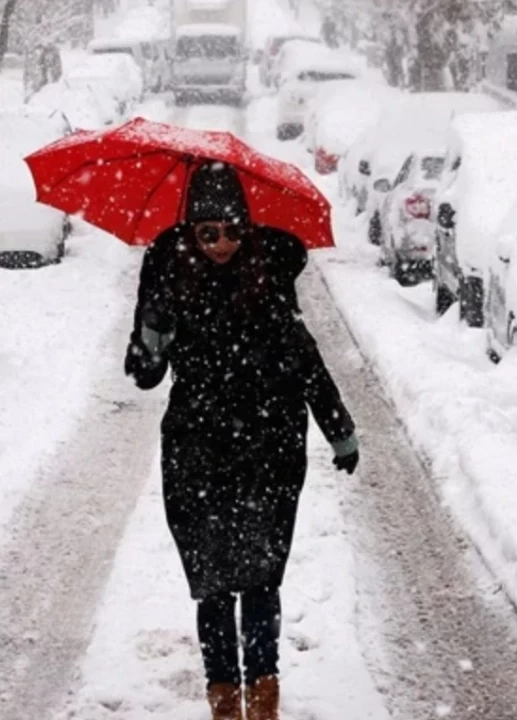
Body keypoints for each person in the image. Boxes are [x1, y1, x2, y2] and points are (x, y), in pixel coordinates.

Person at [124, 162, 359, 720]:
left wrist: (339, 428)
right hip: (196, 449)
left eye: (232, 230)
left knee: (258, 578)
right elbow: (142, 375)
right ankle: (224, 700)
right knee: (209, 582)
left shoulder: (270, 273)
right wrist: (154, 338)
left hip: (268, 446)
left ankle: (264, 698)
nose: (223, 243)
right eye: (208, 233)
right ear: (191, 231)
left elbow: (305, 361)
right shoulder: (165, 272)